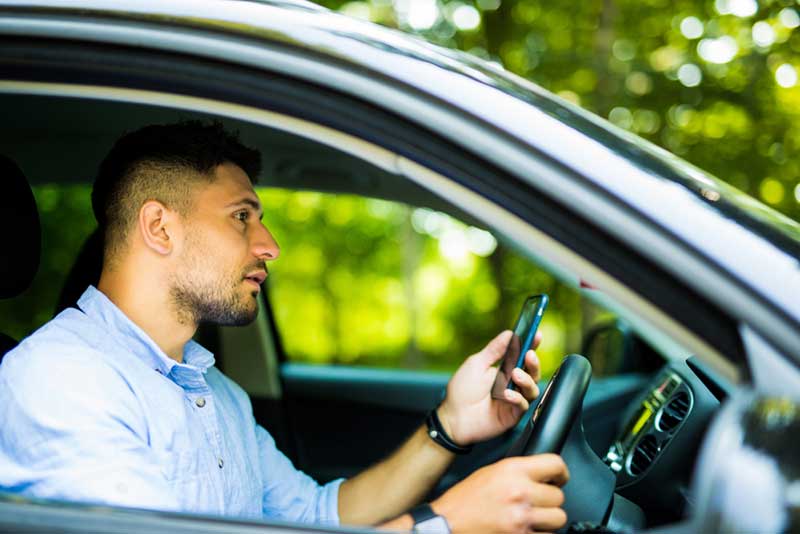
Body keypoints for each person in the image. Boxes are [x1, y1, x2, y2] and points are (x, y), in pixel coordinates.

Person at [0, 121, 569, 533]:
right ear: (160, 228)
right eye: (241, 217)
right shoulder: (58, 379)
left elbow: (321, 516)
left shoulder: (216, 393)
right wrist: (445, 523)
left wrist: (449, 426)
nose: (269, 245)